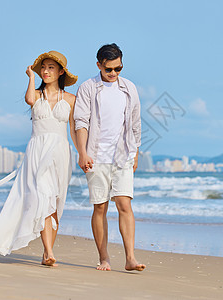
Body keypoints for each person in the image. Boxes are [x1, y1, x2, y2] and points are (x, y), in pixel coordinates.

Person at [0, 51, 78, 267]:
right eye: (43, 67)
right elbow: (29, 99)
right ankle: (50, 250)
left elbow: (74, 130)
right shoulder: (35, 95)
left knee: (54, 204)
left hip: (61, 153)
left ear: (61, 71)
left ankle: (47, 254)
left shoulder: (71, 99)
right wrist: (31, 77)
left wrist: (83, 153)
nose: (46, 71)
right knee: (42, 197)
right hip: (37, 152)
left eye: (51, 67)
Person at [74, 43, 146, 272]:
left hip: (123, 155)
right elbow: (81, 122)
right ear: (99, 66)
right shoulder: (88, 88)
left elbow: (135, 123)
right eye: (109, 70)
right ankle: (104, 258)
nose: (114, 74)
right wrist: (82, 152)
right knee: (100, 207)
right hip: (95, 156)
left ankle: (130, 258)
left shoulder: (129, 88)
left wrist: (135, 152)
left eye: (118, 68)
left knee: (125, 204)